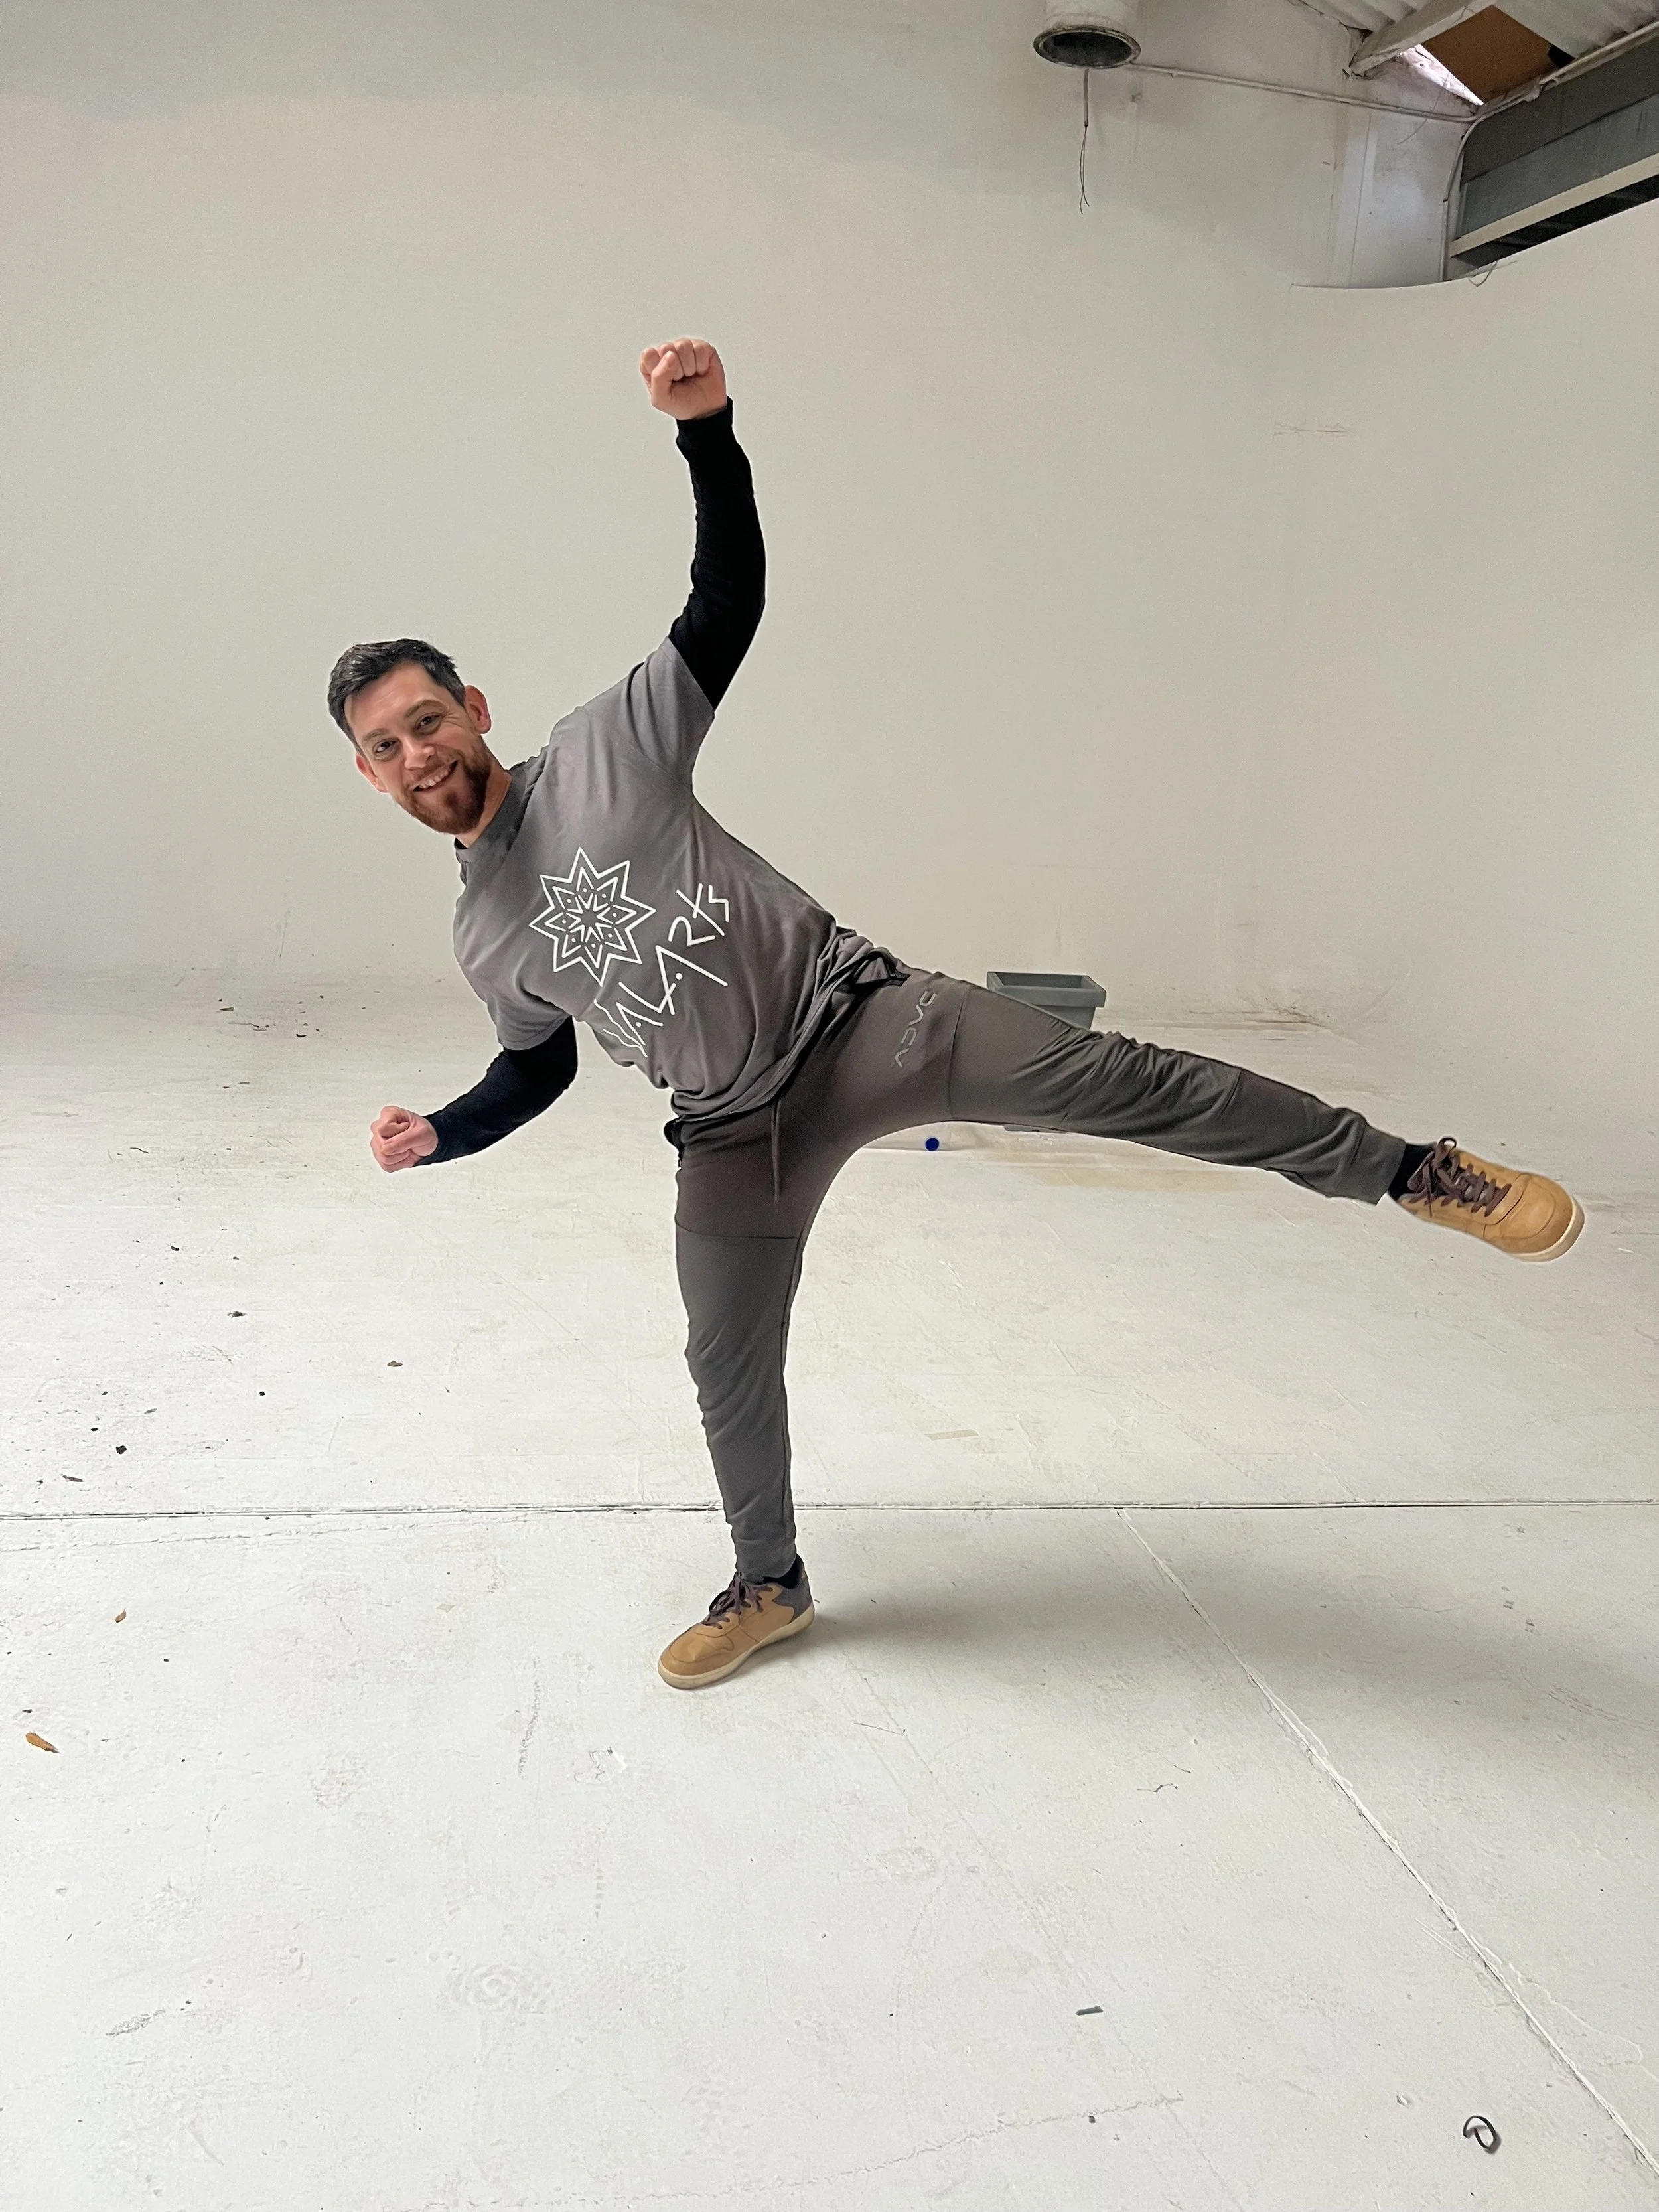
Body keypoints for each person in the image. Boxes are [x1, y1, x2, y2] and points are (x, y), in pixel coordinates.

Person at [328, 337, 1583, 1692]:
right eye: (386, 747)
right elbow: (536, 1069)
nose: (419, 755)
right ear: (368, 778)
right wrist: (443, 1132)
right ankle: (769, 1585)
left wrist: (706, 431)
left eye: (427, 720)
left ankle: (1412, 1170)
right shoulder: (483, 936)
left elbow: (726, 598)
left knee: (1132, 1081)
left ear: (474, 708)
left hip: (867, 1021)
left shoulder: (604, 744)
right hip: (733, 1130)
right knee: (724, 1358)